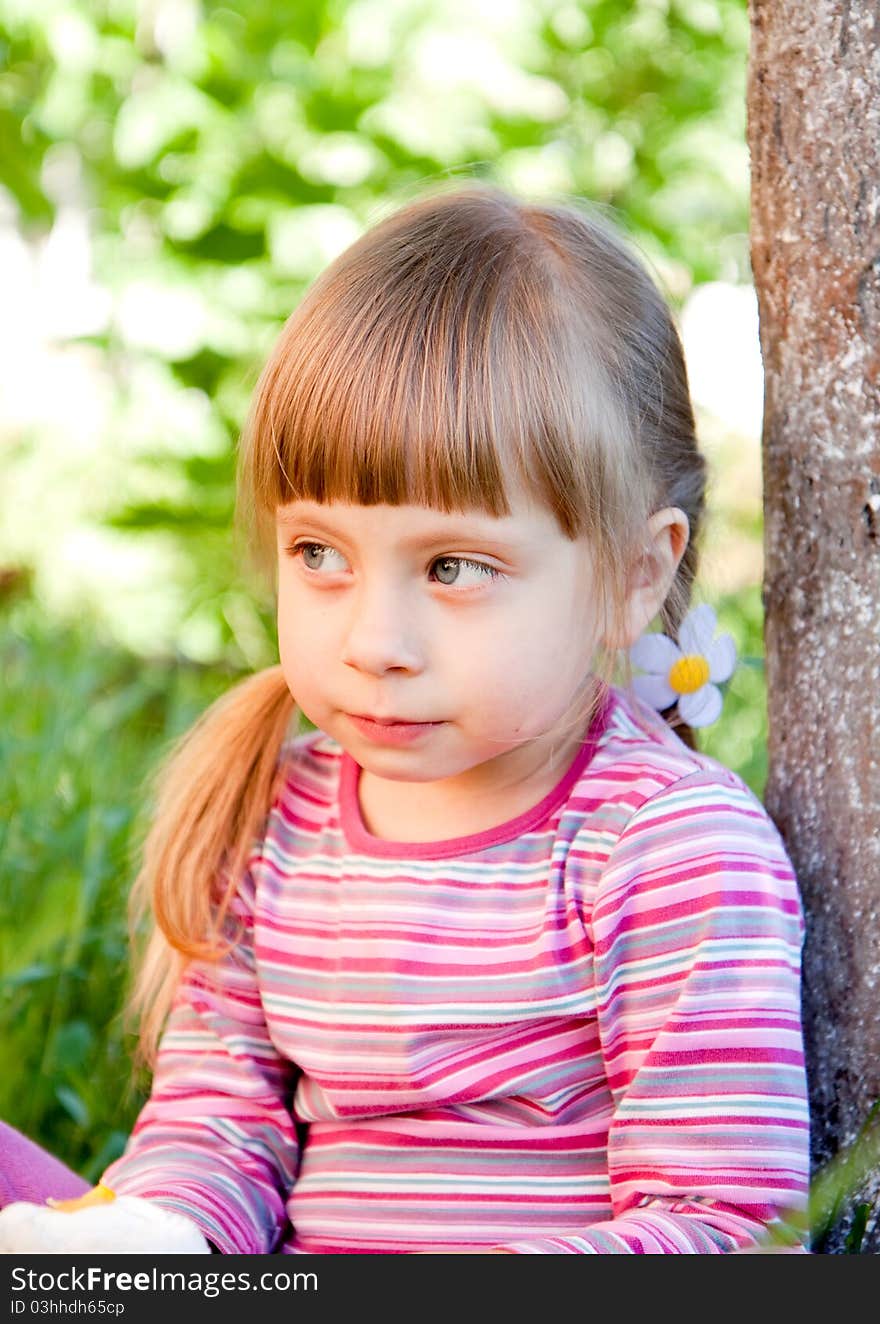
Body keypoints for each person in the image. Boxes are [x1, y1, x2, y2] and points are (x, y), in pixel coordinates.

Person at [0, 186, 810, 1254]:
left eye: (453, 566)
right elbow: (216, 1130)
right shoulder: (273, 817)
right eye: (319, 554)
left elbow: (723, 1228)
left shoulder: (665, 849)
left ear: (632, 575)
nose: (373, 638)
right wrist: (155, 1235)